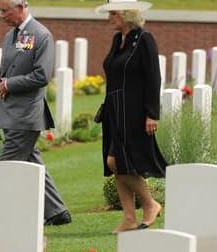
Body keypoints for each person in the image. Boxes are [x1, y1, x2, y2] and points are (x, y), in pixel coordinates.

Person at [0, 0, 71, 232]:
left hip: (25, 115)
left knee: (6, 167)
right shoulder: (10, 36)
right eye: (0, 11)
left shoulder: (42, 35)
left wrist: (11, 84)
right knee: (31, 160)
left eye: (5, 10)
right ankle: (57, 211)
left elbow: (42, 75)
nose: (1, 15)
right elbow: (1, 75)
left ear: (21, 6)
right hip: (9, 113)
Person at [95, 0, 167, 233]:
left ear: (126, 15)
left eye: (113, 14)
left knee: (117, 162)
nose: (109, 18)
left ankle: (150, 204)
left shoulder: (144, 40)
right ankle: (128, 218)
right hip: (115, 111)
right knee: (119, 164)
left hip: (135, 113)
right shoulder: (119, 40)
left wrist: (152, 114)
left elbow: (154, 78)